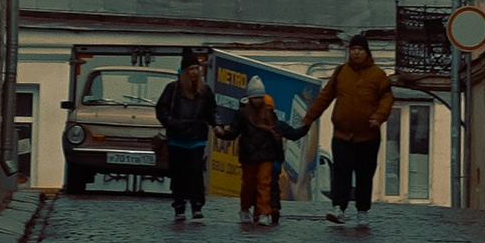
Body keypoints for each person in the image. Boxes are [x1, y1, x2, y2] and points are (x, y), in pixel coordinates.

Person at [303, 34, 394, 225]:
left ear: (367, 52)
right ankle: (339, 208)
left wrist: (378, 117)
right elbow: (325, 97)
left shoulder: (377, 75)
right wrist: (308, 118)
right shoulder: (341, 73)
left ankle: (362, 211)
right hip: (342, 134)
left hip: (368, 135)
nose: (356, 53)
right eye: (353, 49)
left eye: (360, 49)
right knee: (341, 172)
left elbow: (387, 99)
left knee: (364, 174)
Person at [153, 48, 219, 225]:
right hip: (177, 138)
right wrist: (172, 123)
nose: (194, 72)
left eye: (196, 68)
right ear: (184, 71)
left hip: (196, 138)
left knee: (195, 171)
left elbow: (212, 111)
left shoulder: (204, 91)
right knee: (179, 174)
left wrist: (217, 125)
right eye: (191, 69)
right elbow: (161, 109)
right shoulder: (173, 89)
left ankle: (197, 206)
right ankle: (179, 206)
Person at [233, 84, 290, 227]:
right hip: (249, 155)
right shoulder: (243, 114)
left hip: (266, 156)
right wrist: (222, 133)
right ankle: (245, 209)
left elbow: (285, 130)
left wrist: (303, 128)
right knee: (249, 185)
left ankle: (264, 212)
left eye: (260, 97)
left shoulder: (270, 115)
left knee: (264, 183)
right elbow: (234, 131)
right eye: (255, 97)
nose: (258, 100)